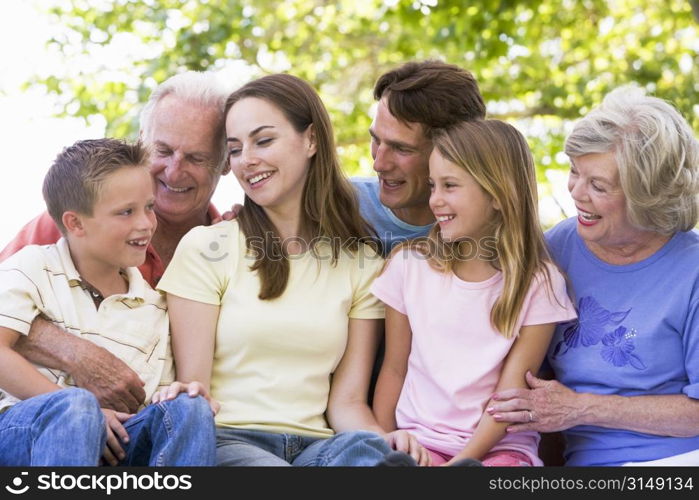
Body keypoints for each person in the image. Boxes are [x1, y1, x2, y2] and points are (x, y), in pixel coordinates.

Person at [153, 73, 418, 466]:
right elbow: (196, 394)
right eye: (235, 149)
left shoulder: (361, 262)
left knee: (368, 454)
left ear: (311, 140)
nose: (248, 160)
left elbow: (347, 403)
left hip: (318, 447)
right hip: (228, 442)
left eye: (263, 141)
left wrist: (385, 442)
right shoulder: (208, 247)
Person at [488, 87, 699, 466]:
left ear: (646, 196)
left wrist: (583, 408)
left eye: (598, 185)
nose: (576, 193)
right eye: (574, 172)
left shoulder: (692, 271)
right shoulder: (554, 250)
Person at [0, 71, 231, 413]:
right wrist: (76, 353)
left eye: (196, 158)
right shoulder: (70, 226)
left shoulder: (233, 247)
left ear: (226, 162)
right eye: (163, 150)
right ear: (141, 141)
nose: (173, 171)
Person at [371, 120, 577, 466]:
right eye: (433, 185)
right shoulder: (409, 266)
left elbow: (510, 393)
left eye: (450, 186)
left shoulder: (538, 282)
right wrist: (387, 438)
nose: (435, 200)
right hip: (421, 441)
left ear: (497, 194)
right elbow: (394, 369)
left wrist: (462, 462)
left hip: (500, 447)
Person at [0, 138, 216, 466]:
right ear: (75, 223)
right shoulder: (33, 267)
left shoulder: (154, 307)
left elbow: (155, 404)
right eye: (126, 212)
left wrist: (177, 396)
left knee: (188, 407)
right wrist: (86, 411)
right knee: (77, 407)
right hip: (23, 433)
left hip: (116, 447)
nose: (145, 223)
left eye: (149, 207)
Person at [352, 60, 486, 254]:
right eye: (376, 140)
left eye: (401, 149)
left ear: (456, 153)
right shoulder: (336, 206)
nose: (379, 165)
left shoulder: (485, 233)